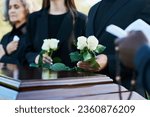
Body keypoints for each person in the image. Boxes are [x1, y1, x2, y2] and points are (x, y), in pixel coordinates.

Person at [25, 0, 107, 71]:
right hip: (38, 80)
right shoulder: (33, 19)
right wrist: (36, 58)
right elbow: (26, 50)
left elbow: (88, 55)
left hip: (69, 82)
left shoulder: (82, 20)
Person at [86, 0, 150, 77]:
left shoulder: (144, 3)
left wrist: (109, 61)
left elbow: (145, 54)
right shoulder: (93, 9)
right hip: (91, 85)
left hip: (126, 86)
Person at [0, 0, 39, 65]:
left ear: (27, 9)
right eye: (9, 8)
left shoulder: (34, 36)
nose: (12, 11)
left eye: (16, 7)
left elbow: (25, 64)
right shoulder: (5, 38)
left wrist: (2, 57)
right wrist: (6, 50)